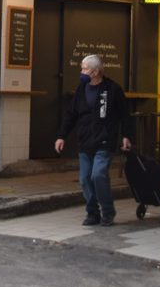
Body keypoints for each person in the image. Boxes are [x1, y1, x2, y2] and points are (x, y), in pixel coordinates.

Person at [55, 54, 132, 226]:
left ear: (96, 72)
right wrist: (61, 136)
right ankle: (92, 212)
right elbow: (71, 115)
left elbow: (125, 115)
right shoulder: (82, 89)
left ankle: (107, 211)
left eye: (84, 68)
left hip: (104, 140)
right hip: (85, 141)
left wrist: (126, 135)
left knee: (98, 175)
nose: (81, 71)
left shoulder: (112, 90)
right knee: (85, 179)